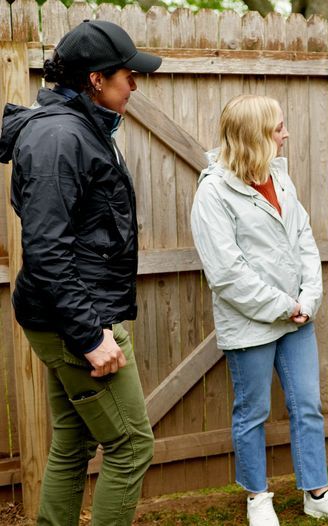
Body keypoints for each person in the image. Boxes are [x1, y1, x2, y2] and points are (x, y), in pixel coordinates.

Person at [0, 20, 161, 525]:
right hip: (75, 321)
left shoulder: (84, 127)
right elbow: (47, 250)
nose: (134, 84)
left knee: (72, 442)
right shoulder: (59, 138)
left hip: (70, 313)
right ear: (96, 79)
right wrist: (91, 335)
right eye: (127, 75)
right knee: (132, 447)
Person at [190, 94, 328, 526]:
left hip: (296, 319)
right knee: (252, 413)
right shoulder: (213, 193)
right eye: (278, 128)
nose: (286, 134)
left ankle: (317, 493)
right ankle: (257, 497)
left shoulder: (281, 179)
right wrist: (284, 306)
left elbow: (304, 241)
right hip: (251, 324)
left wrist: (307, 300)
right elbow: (227, 273)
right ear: (255, 136)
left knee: (307, 405)